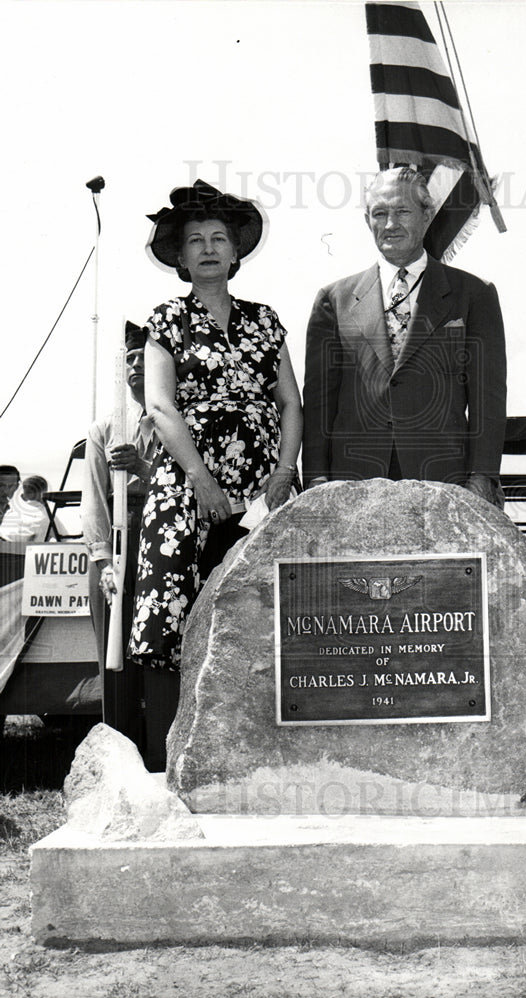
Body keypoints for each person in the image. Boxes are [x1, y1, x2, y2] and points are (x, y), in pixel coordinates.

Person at [130, 179, 303, 769]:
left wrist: (283, 474)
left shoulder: (264, 319)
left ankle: (262, 758)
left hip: (262, 485)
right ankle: (170, 762)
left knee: (265, 614)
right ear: (179, 258)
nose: (207, 248)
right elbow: (160, 406)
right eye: (195, 240)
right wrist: (203, 480)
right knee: (176, 611)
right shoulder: (165, 320)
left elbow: (290, 404)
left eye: (219, 239)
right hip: (188, 487)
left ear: (235, 253)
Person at [303, 166, 506, 504]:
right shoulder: (333, 299)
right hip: (353, 483)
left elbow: (489, 399)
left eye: (402, 211)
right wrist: (316, 477)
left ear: (427, 216)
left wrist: (482, 475)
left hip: (445, 482)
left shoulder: (473, 294)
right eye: (379, 213)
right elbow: (320, 402)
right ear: (367, 221)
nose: (390, 224)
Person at [80, 322, 157, 750]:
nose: (136, 367)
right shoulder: (106, 427)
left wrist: (145, 470)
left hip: (164, 543)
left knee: (161, 663)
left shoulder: (176, 420)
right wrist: (103, 560)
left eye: (145, 358)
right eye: (129, 359)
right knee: (114, 665)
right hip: (113, 550)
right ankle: (120, 755)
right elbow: (92, 498)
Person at [0, 469, 49, 543]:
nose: (5, 490)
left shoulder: (11, 512)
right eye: (1, 485)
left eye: (11, 486)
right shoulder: (48, 516)